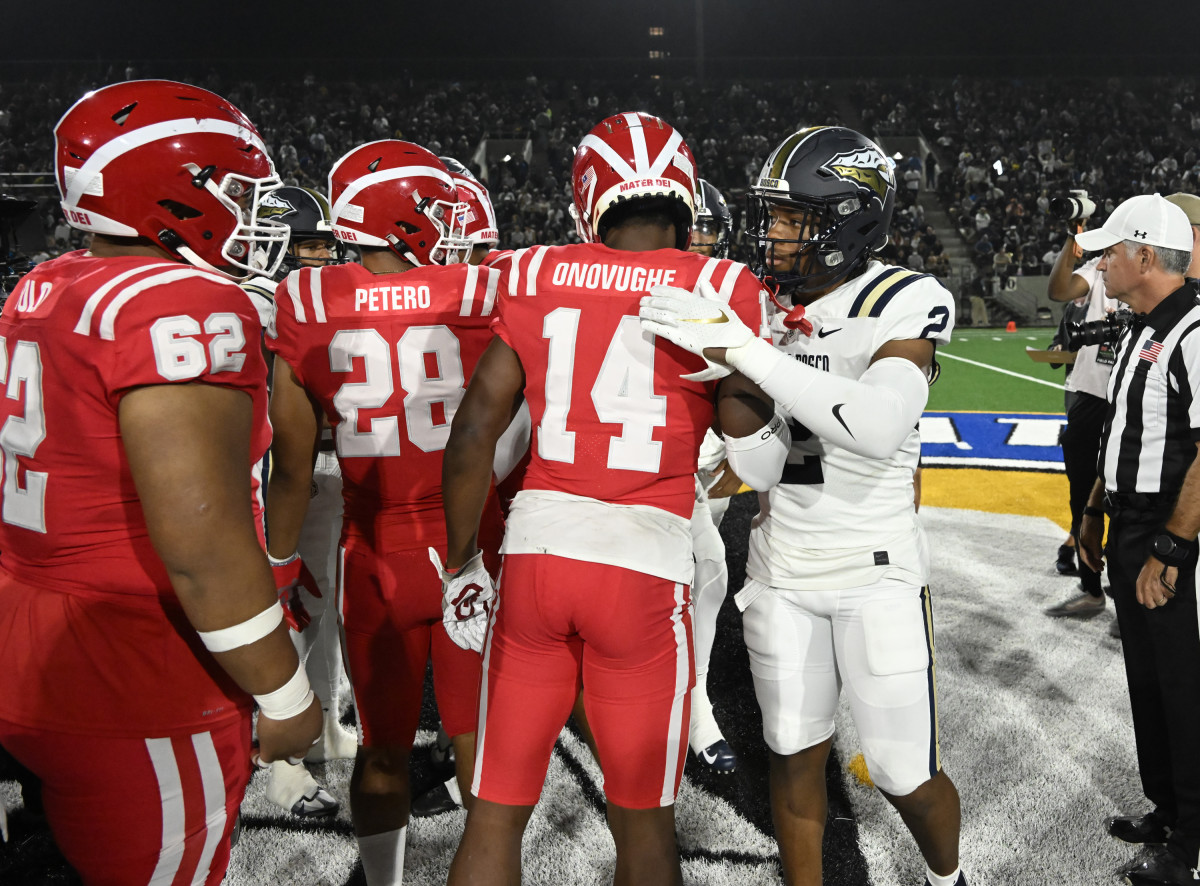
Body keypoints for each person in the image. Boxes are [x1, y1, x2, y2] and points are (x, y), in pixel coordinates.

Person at [439, 111, 783, 886]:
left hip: (534, 559)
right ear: (686, 193)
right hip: (641, 565)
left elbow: (471, 437)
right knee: (643, 823)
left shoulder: (535, 274)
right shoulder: (721, 283)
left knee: (494, 813)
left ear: (588, 196)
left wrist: (464, 561)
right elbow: (750, 445)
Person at [0, 79, 321, 885]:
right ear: (177, 196)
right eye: (241, 191)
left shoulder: (45, 283)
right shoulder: (183, 304)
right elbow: (202, 544)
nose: (256, 216)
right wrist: (285, 695)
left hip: (32, 638)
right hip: (136, 673)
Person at [640, 125, 967, 886]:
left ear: (850, 219)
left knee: (902, 772)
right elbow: (759, 466)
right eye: (774, 217)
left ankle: (950, 880)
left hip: (874, 570)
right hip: (781, 568)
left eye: (793, 218)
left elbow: (882, 425)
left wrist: (746, 353)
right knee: (792, 756)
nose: (775, 235)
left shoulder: (904, 294)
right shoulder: (756, 305)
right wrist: (738, 393)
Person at [265, 140, 503, 886]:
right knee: (480, 747)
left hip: (374, 552)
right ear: (409, 216)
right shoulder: (476, 293)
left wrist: (277, 575)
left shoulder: (304, 301)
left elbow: (291, 468)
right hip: (472, 547)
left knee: (381, 750)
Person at [1076, 194, 1200, 886]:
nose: (1102, 264)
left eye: (1112, 251)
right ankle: (1168, 809)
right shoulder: (1148, 325)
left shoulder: (1194, 329)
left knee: (1184, 684)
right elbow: (1123, 432)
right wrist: (1093, 513)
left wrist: (1172, 550)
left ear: (1146, 255)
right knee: (1149, 679)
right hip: (1129, 524)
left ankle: (1193, 842)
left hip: (1167, 533)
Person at [245, 185, 356, 818]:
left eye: (326, 243)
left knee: (324, 609)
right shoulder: (252, 303)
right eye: (309, 244)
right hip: (279, 471)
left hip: (322, 465)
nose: (322, 256)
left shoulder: (308, 296)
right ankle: (279, 758)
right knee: (287, 606)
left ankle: (320, 727)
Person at [1043, 216, 1120, 618]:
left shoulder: (1152, 278)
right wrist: (1071, 243)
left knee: (1130, 498)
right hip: (1090, 396)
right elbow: (1058, 289)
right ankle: (1092, 590)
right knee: (1081, 495)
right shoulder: (1098, 268)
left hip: (1130, 399)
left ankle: (1130, 597)